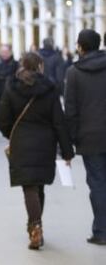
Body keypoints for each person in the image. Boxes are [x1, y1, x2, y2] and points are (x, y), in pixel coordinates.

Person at [0, 52, 74, 250]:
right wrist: (67, 151)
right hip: (45, 143)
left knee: (29, 187)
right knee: (39, 185)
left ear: (22, 65)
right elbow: (59, 121)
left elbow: (3, 119)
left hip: (21, 142)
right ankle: (36, 225)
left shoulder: (11, 86)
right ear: (40, 66)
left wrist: (12, 135)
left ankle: (35, 226)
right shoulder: (49, 88)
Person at [64, 29, 106, 245]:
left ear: (80, 46)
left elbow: (71, 111)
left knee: (98, 183)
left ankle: (101, 231)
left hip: (90, 138)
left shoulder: (74, 72)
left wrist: (68, 143)